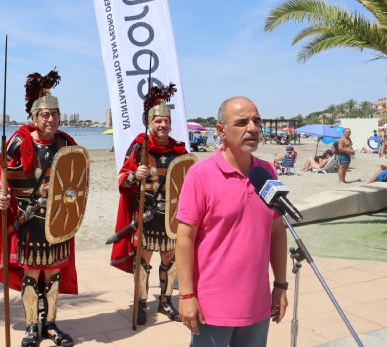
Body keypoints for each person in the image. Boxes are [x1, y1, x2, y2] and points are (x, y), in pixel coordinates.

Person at [175, 96, 288, 347]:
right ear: (221, 130)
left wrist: (280, 284)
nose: (253, 128)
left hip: (257, 304)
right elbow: (184, 238)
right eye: (242, 122)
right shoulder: (200, 175)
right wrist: (186, 295)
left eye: (256, 121)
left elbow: (278, 231)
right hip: (212, 306)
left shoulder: (267, 172)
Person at [0, 70, 78, 347]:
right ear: (34, 118)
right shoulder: (19, 142)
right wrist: (1, 194)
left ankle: (50, 325)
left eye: (55, 114)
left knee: (54, 274)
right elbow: (2, 175)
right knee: (32, 274)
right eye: (45, 115)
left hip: (58, 219)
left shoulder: (66, 143)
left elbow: (77, 178)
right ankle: (32, 327)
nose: (51, 120)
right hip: (28, 219)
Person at [110, 83, 187, 325]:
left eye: (166, 121)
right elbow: (122, 182)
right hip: (146, 214)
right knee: (142, 262)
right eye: (158, 121)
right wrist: (136, 175)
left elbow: (187, 182)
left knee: (170, 260)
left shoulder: (178, 151)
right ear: (150, 122)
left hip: (170, 218)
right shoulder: (138, 148)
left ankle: (165, 301)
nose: (162, 125)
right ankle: (141, 302)